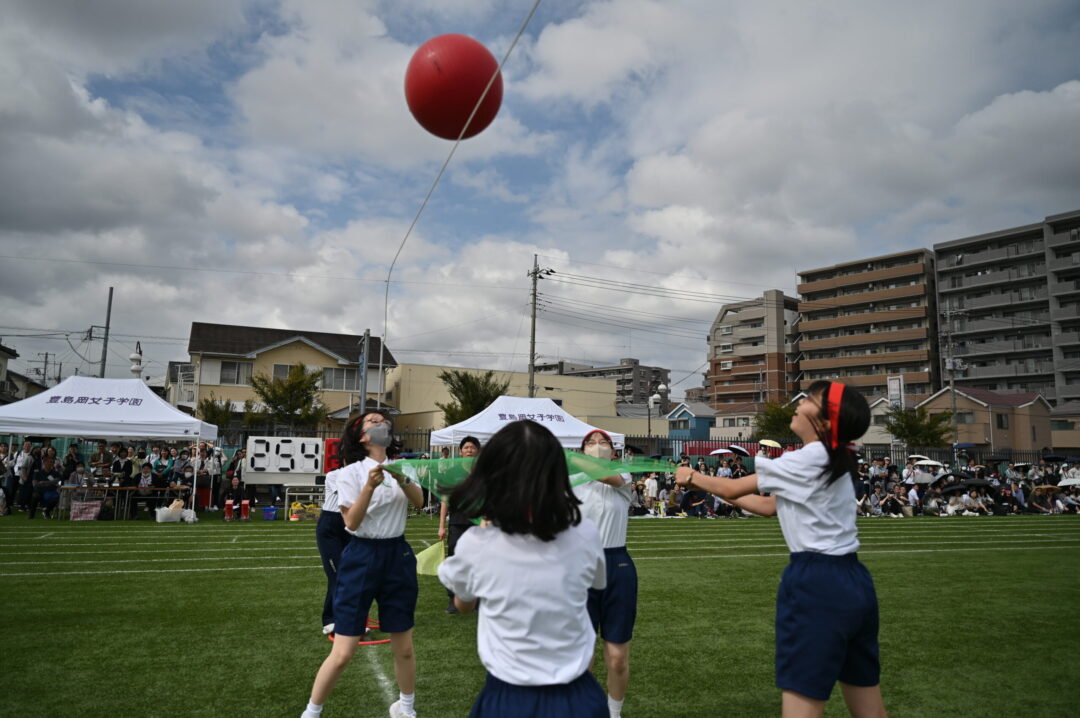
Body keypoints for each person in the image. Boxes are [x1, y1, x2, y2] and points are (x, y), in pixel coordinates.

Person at [672, 381, 888, 718]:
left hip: (817, 583)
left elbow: (731, 487)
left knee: (802, 703)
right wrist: (713, 487)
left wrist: (691, 477)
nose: (799, 404)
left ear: (826, 420)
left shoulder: (807, 458)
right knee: (868, 707)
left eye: (810, 400)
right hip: (853, 580)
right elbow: (768, 506)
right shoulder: (832, 458)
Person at [438, 420, 608, 717]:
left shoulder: (476, 544)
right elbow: (595, 582)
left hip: (508, 699)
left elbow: (463, 604)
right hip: (580, 698)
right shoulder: (585, 533)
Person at [301, 411, 424, 718]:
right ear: (361, 436)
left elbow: (420, 502)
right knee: (343, 652)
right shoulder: (349, 473)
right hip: (361, 555)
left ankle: (406, 709)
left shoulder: (403, 466)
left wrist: (401, 477)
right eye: (373, 421)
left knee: (404, 647)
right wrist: (369, 487)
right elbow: (352, 523)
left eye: (384, 420)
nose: (381, 423)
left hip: (398, 555)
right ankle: (311, 713)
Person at [572, 430, 636, 718]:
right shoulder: (570, 482)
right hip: (580, 567)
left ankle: (614, 713)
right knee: (583, 656)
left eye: (603, 443)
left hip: (617, 566)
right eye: (590, 443)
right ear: (582, 450)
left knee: (617, 657)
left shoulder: (623, 475)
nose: (597, 447)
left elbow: (607, 477)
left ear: (613, 451)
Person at [315, 429, 352, 636]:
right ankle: (331, 619)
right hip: (330, 525)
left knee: (349, 573)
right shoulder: (334, 475)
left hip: (350, 525)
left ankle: (345, 618)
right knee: (337, 574)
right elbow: (349, 494)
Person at [438, 436, 481, 614]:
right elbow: (445, 499)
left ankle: (477, 599)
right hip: (457, 522)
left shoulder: (483, 472)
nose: (469, 450)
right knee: (455, 560)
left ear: (477, 451)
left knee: (478, 562)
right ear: (460, 451)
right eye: (466, 447)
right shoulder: (452, 472)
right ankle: (453, 599)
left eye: (473, 447)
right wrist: (442, 525)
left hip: (479, 524)